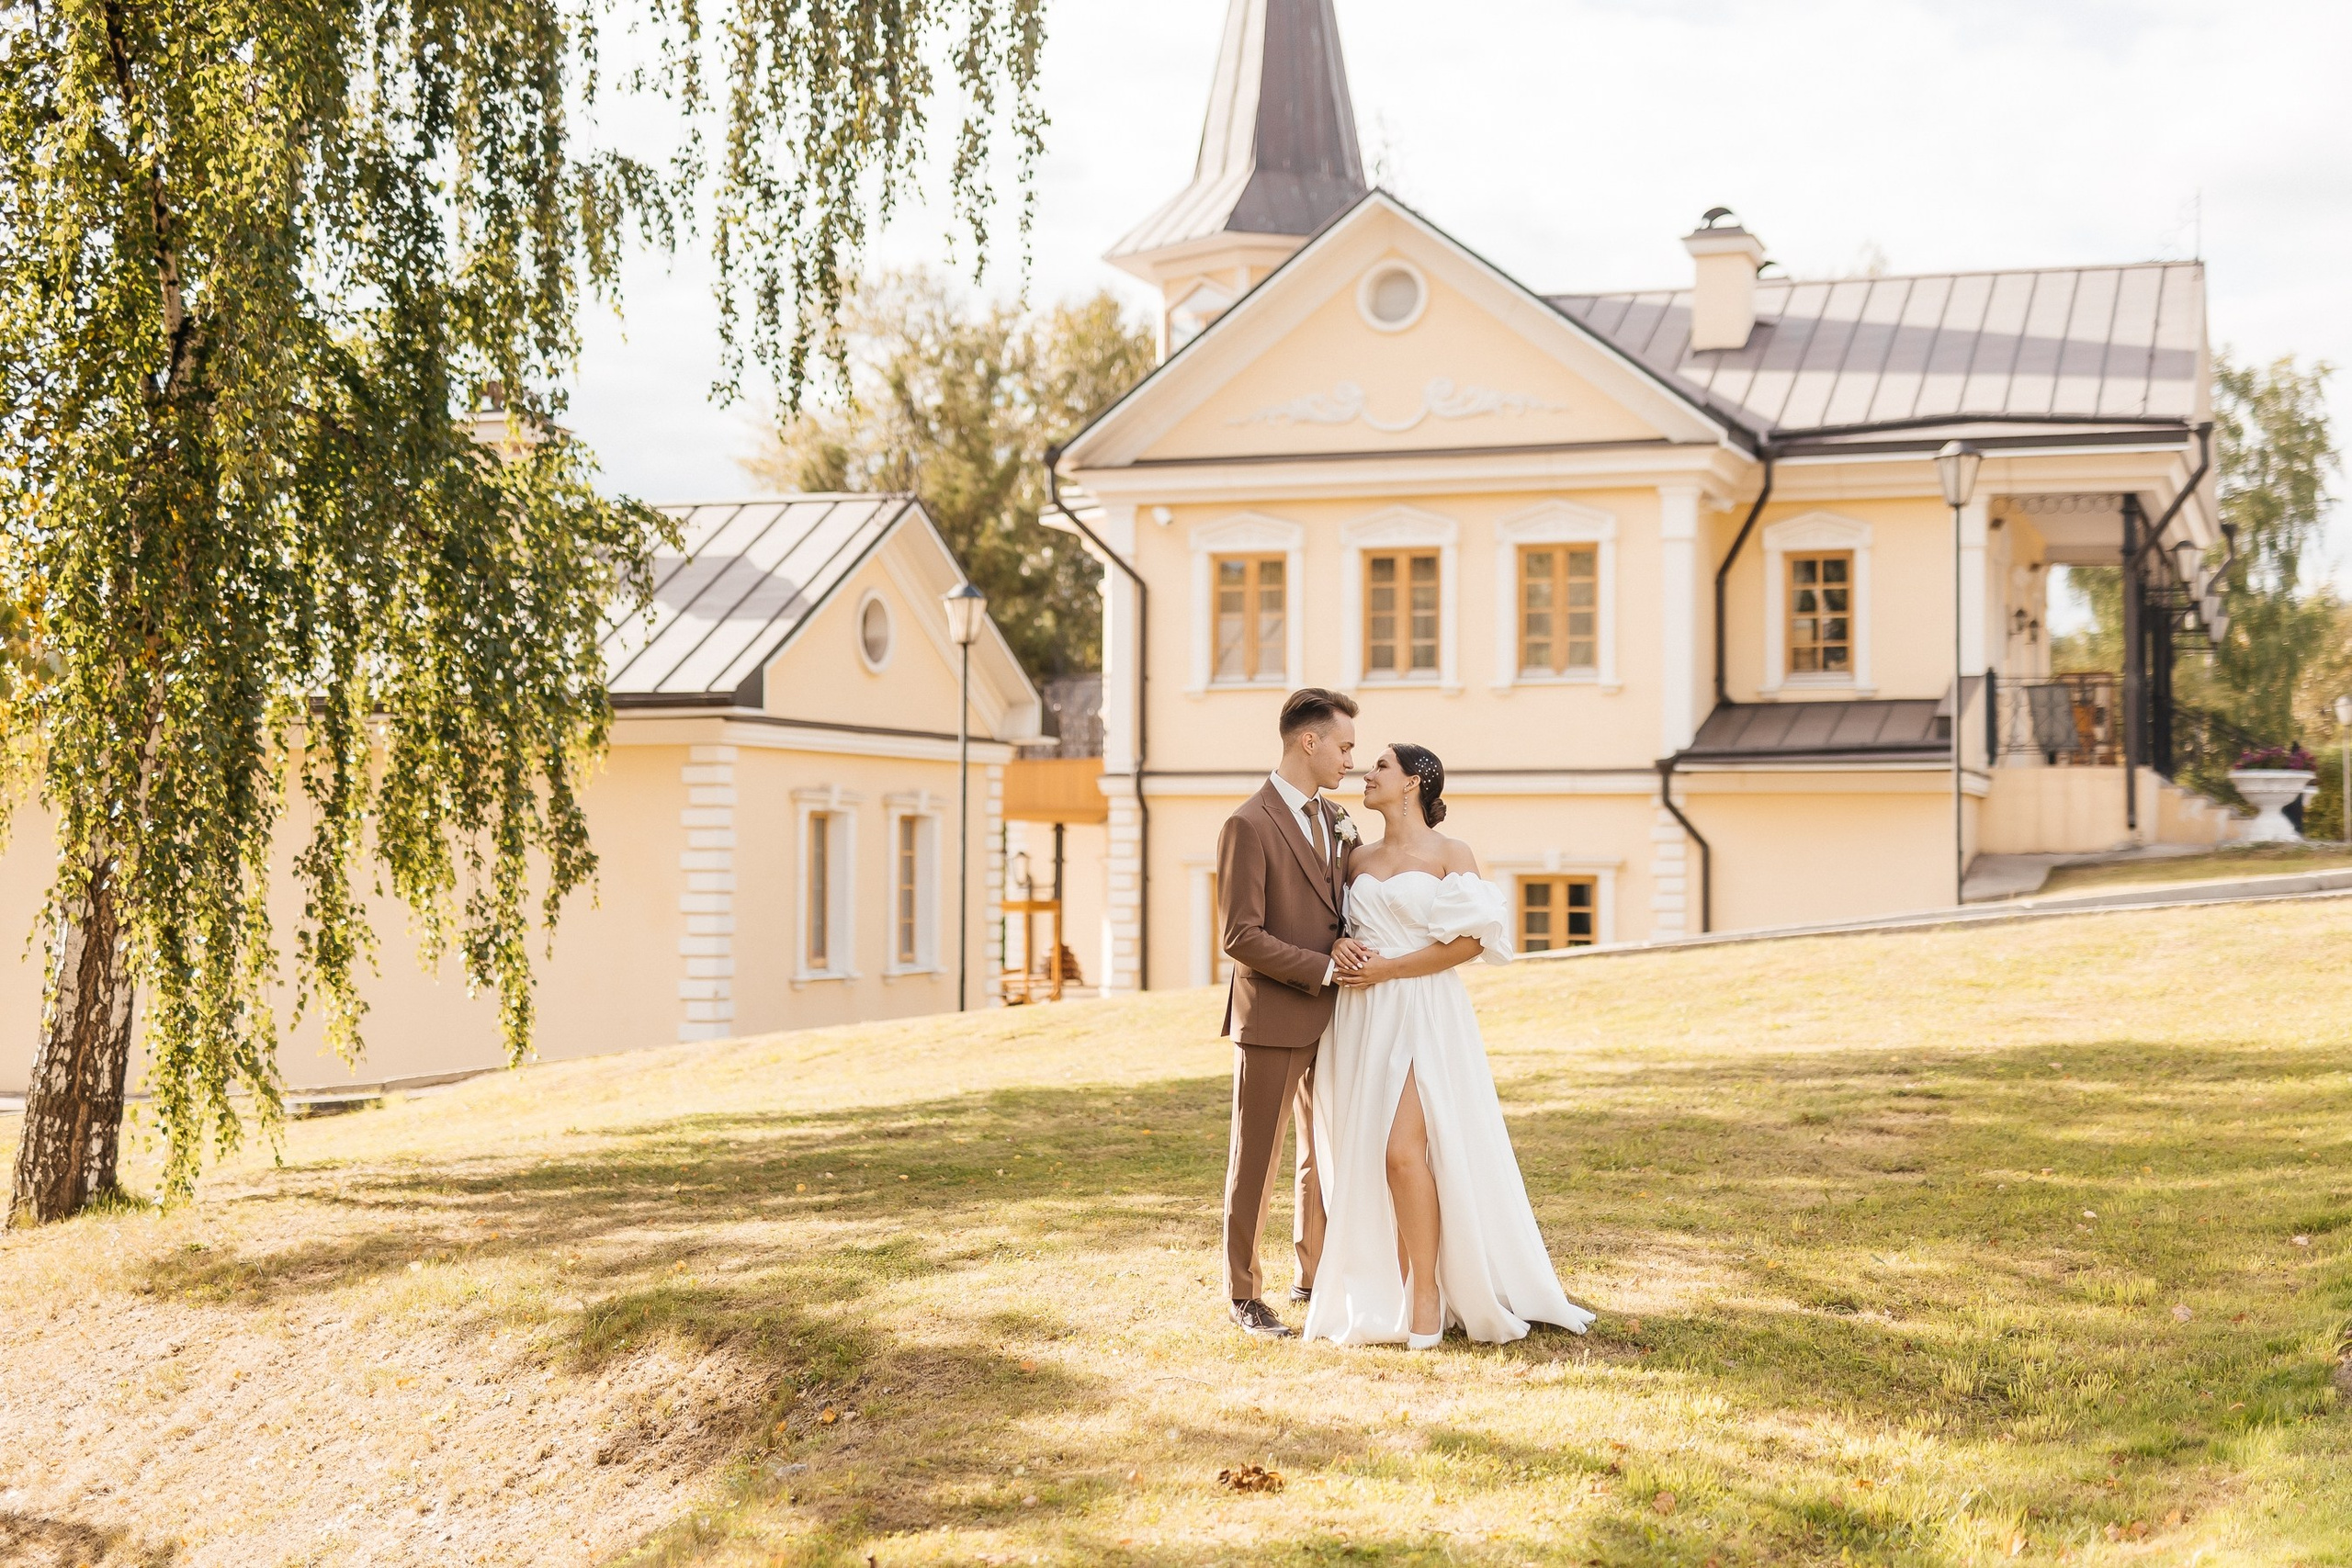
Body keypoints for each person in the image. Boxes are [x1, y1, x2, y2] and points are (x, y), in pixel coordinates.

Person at [1304, 741, 1596, 1348]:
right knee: (1374, 1156)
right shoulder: (1355, 857)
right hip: (1360, 1017)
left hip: (1424, 1008)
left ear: (1414, 781)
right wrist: (1340, 950)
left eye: (1381, 765)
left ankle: (1427, 1294)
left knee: (1402, 1152)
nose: (1368, 772)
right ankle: (1398, 1279)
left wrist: (1391, 969)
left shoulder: (1450, 853)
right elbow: (1335, 930)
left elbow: (1469, 943)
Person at [1213, 688, 1374, 1339]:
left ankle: (1312, 1273)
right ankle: (1244, 1295)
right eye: (1344, 746)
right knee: (1258, 1156)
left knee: (1320, 1152)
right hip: (1274, 1014)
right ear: (1309, 741)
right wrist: (1323, 965)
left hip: (1333, 1017)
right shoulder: (1248, 825)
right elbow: (1239, 935)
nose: (1350, 759)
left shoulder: (1336, 819)